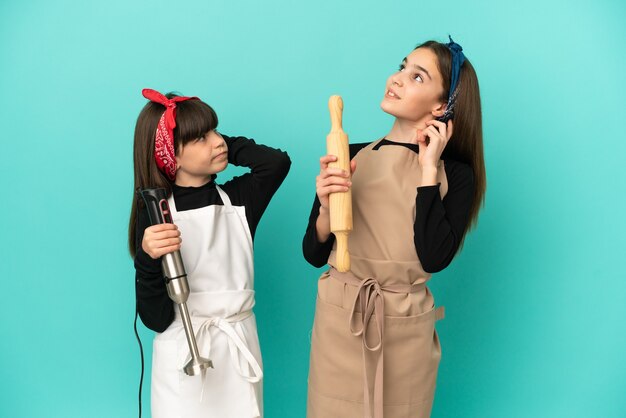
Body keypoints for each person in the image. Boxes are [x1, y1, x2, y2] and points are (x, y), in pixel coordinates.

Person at [302, 37, 485, 418]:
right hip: (341, 321)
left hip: (404, 329)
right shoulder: (350, 155)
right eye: (402, 67)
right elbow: (314, 252)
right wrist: (324, 206)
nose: (397, 78)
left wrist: (428, 170)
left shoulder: (455, 175)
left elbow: (433, 256)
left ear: (441, 106)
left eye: (417, 76)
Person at [129, 88, 290, 418]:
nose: (217, 142)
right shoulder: (156, 215)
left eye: (216, 131)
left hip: (236, 346)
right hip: (182, 352)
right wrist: (147, 260)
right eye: (201, 138)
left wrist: (212, 139)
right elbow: (155, 318)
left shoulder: (240, 200)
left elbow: (276, 163)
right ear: (170, 154)